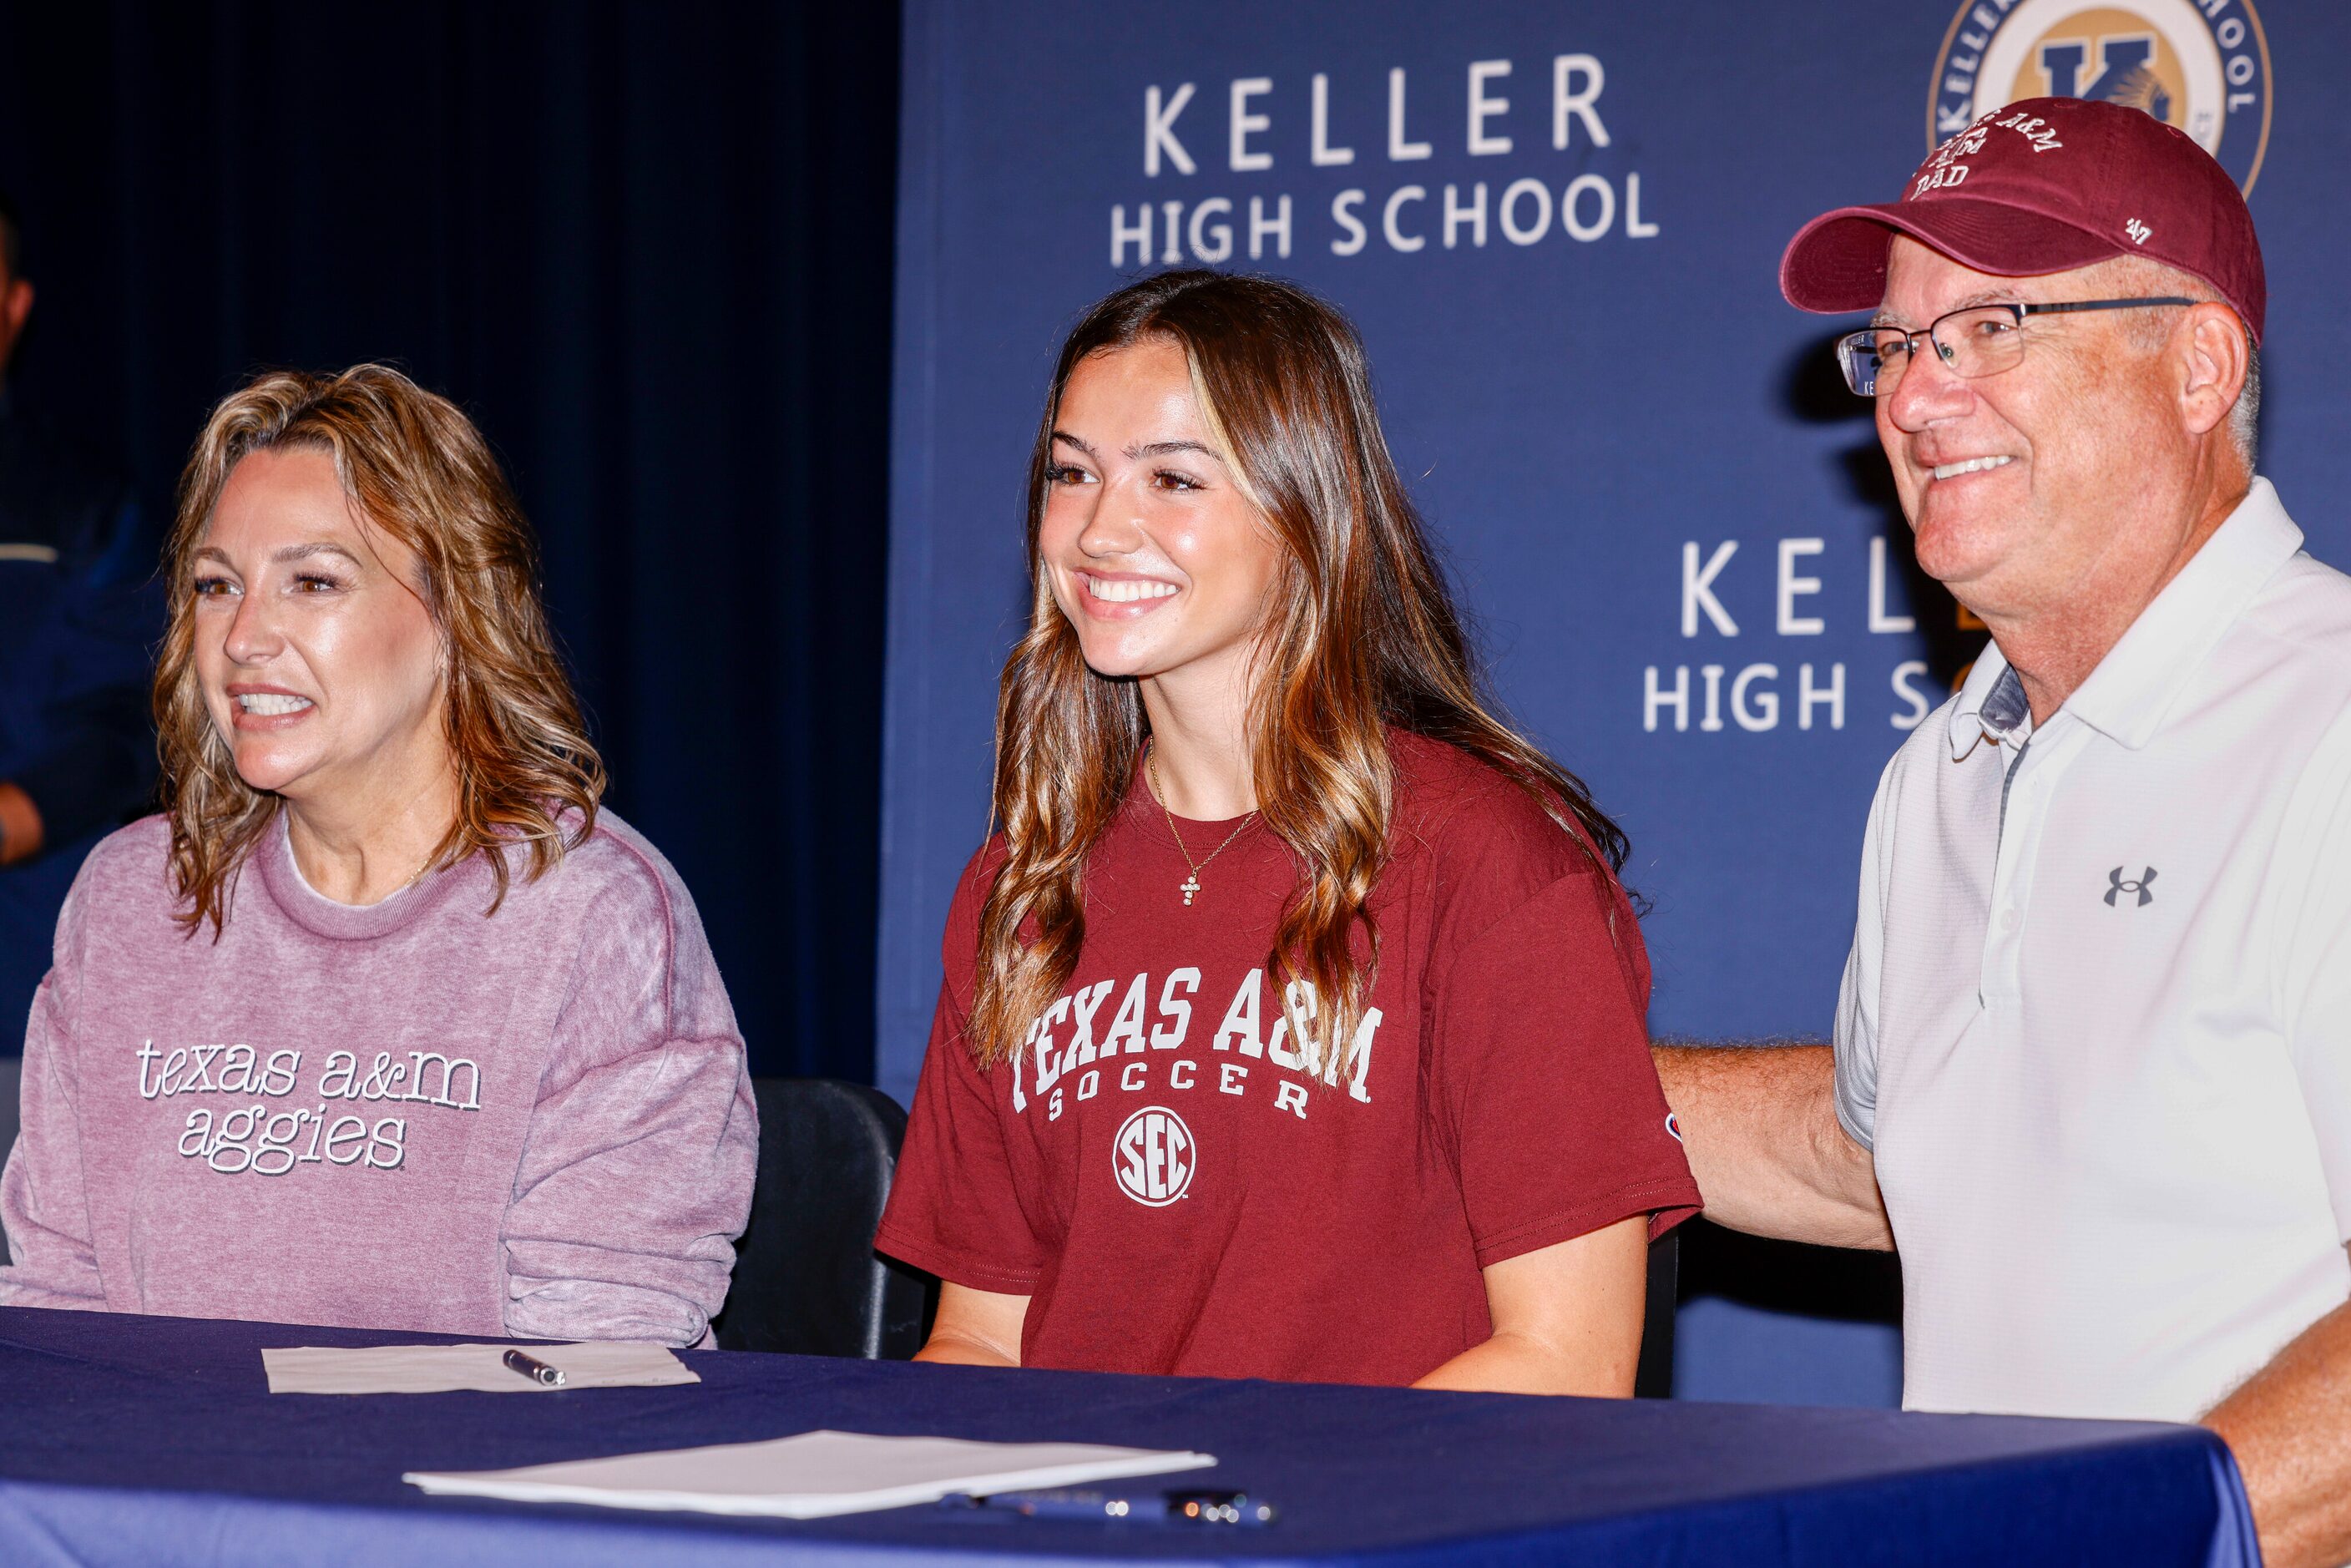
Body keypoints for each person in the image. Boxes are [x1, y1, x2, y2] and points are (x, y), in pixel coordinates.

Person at [1656, 97, 2351, 1567]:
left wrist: (2111, 1539)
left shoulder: (2330, 722)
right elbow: (1877, 1150)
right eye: (1897, 346)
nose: (1914, 396)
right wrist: (1469, 1074)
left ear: (2200, 365)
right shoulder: (1947, 768)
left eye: (1994, 326)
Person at [876, 270, 1698, 1392]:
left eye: (1172, 477)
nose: (1102, 528)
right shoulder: (1020, 886)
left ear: (1308, 508)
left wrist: (1237, 1519)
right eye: (1072, 473)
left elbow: (1567, 1361)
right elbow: (983, 1336)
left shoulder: (1488, 862)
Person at [0, 364, 757, 1345]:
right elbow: (58, 1304)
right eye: (216, 585)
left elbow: (597, 1353)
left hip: (455, 1491)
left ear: (456, 612)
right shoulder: (133, 898)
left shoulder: (591, 916)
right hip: (164, 1489)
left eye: (313, 581)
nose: (242, 638)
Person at [0, 189, 159, 1050]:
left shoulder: (85, 507)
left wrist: (20, 813)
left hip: (23, 997)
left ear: (14, 306)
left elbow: (136, 721)